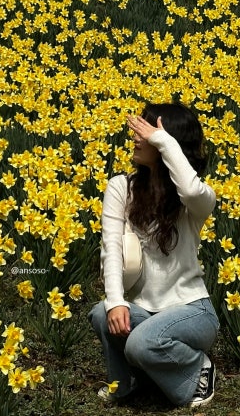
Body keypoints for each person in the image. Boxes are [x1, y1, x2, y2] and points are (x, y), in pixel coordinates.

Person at [88, 102, 219, 408]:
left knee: (142, 342)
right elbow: (111, 250)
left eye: (145, 132)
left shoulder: (196, 200)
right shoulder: (122, 187)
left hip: (192, 310)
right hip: (146, 311)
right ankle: (128, 382)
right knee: (101, 313)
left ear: (169, 142)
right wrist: (117, 302)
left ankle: (199, 369)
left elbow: (188, 188)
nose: (135, 136)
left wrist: (162, 141)